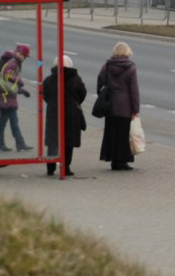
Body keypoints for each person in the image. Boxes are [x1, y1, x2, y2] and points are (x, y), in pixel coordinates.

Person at [97, 42, 140, 171]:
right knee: (123, 134)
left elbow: (100, 83)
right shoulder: (131, 68)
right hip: (125, 105)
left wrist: (103, 98)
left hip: (110, 105)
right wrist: (135, 108)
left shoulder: (107, 66)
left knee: (111, 133)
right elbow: (134, 90)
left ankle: (113, 160)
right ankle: (122, 161)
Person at [43, 55, 87, 177]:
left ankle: (50, 168)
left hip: (53, 113)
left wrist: (53, 104)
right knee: (68, 142)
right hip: (71, 114)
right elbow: (82, 94)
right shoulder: (76, 79)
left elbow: (45, 95)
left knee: (53, 141)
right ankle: (66, 167)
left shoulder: (49, 79)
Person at [0, 43, 32, 153]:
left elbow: (9, 85)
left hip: (4, 96)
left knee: (3, 122)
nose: (24, 58)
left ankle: (0, 144)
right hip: (6, 98)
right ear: (19, 53)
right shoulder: (13, 62)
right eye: (23, 56)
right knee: (14, 121)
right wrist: (19, 81)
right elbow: (6, 74)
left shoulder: (12, 61)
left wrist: (22, 91)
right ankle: (20, 143)